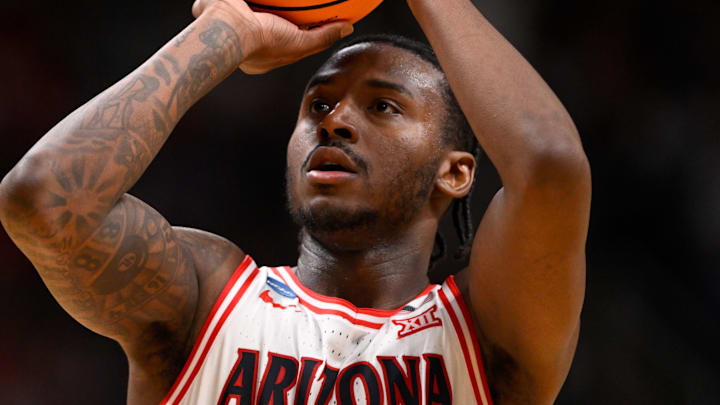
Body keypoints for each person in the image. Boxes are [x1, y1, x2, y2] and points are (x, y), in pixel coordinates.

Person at [0, 0, 591, 403]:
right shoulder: (208, 299)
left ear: (456, 172)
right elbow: (44, 201)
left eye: (383, 106)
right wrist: (227, 28)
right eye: (318, 105)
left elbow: (552, 170)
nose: (335, 123)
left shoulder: (485, 334)